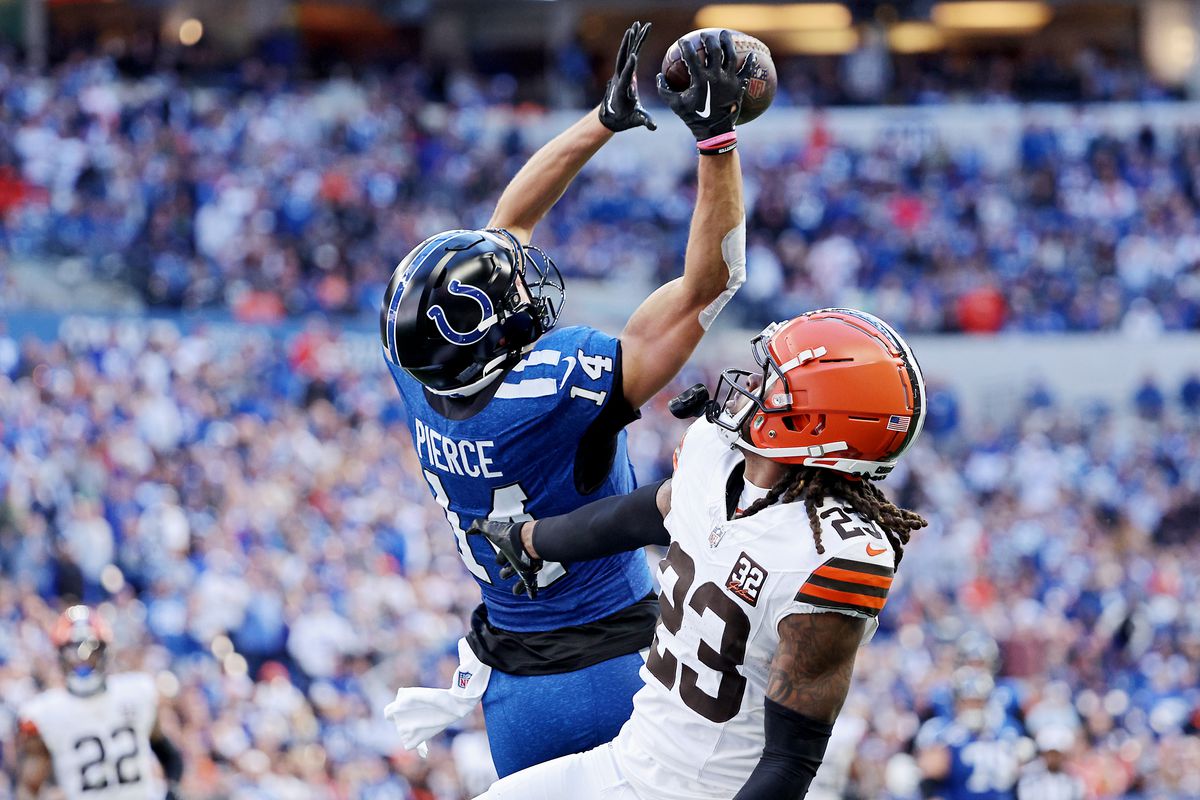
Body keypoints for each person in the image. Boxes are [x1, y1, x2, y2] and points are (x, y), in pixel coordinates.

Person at [379, 24, 759, 775]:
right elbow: (709, 288)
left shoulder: (420, 373)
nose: (527, 283)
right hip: (619, 669)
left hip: (514, 691)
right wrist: (717, 143)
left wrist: (602, 121)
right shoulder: (554, 387)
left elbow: (504, 227)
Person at [470, 308, 928, 800]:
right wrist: (536, 539)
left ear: (810, 421)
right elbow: (653, 512)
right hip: (632, 757)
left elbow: (790, 760)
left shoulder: (830, 554)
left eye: (773, 380)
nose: (751, 383)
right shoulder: (716, 454)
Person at [16, 606, 184, 800]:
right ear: (60, 655)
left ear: (105, 651)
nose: (83, 661)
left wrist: (172, 790)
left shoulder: (137, 692)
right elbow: (29, 787)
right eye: (73, 652)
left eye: (91, 650)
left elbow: (170, 756)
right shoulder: (44, 713)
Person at [916, 669, 1024, 800]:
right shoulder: (942, 730)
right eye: (967, 701)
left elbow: (1022, 770)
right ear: (957, 703)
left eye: (978, 701)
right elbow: (930, 771)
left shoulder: (1007, 728)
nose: (972, 707)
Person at [1016, 727, 1084, 800]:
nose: (1052, 758)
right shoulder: (1029, 778)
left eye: (1056, 755)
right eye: (1050, 754)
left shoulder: (1073, 779)